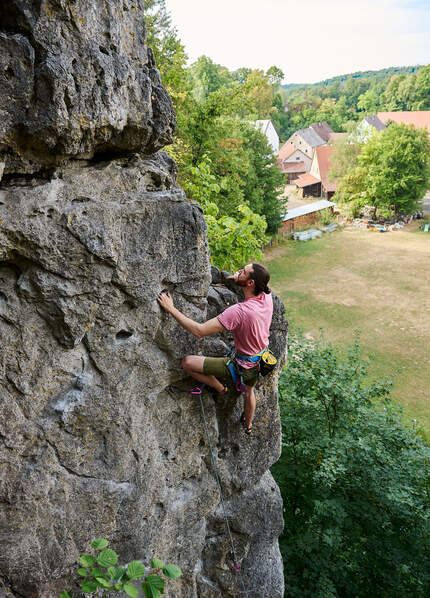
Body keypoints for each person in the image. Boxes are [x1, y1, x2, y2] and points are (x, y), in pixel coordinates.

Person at [157, 263, 273, 435]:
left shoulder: (238, 312)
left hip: (240, 365)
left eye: (243, 272)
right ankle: (248, 425)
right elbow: (262, 283)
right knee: (249, 393)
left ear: (251, 283)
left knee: (187, 363)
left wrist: (171, 309)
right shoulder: (266, 298)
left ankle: (220, 388)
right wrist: (238, 278)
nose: (239, 271)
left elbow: (199, 331)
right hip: (260, 360)